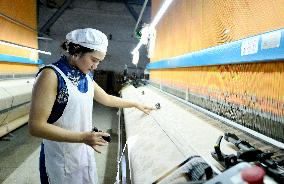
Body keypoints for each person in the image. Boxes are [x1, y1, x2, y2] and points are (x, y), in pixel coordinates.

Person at [28, 28, 154, 184]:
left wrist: (135, 104)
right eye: (93, 60)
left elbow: (107, 99)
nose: (95, 66)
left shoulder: (85, 76)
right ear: (76, 51)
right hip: (59, 157)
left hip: (82, 151)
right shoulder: (51, 75)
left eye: (99, 61)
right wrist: (82, 137)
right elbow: (36, 126)